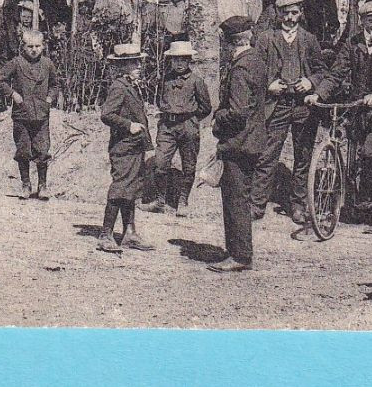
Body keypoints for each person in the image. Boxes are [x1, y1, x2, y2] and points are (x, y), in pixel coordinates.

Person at [312, 0, 372, 233]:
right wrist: (318, 95)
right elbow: (336, 75)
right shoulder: (353, 43)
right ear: (362, 21)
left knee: (369, 151)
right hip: (362, 108)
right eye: (371, 20)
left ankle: (365, 203)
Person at [250, 0, 329, 223]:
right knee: (267, 154)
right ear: (279, 14)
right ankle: (257, 204)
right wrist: (269, 85)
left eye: (295, 13)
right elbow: (255, 72)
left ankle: (298, 205)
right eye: (286, 13)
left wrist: (310, 82)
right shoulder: (266, 39)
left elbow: (322, 71)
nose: (290, 18)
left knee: (303, 156)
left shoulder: (309, 39)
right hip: (277, 105)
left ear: (300, 14)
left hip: (303, 106)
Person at [210, 16, 269, 272]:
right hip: (252, 139)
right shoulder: (255, 60)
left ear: (230, 42)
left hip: (239, 142)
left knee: (235, 199)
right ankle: (238, 251)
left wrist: (217, 117)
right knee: (240, 197)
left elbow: (237, 111)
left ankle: (240, 255)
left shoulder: (241, 68)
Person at [97, 44, 152, 253]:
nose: (138, 66)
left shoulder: (131, 84)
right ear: (122, 66)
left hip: (134, 146)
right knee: (120, 187)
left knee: (131, 188)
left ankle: (129, 233)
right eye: (133, 62)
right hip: (123, 147)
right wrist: (129, 125)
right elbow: (106, 114)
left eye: (138, 62)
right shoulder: (119, 86)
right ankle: (105, 234)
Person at [146, 39, 211, 216]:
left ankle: (183, 202)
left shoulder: (196, 81)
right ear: (171, 61)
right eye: (176, 60)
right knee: (160, 164)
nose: (180, 63)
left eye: (184, 59)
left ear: (189, 60)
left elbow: (206, 107)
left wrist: (191, 119)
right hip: (167, 126)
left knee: (189, 166)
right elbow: (160, 99)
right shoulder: (165, 79)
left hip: (187, 126)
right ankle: (160, 200)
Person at [0, 28, 57, 199]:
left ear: (43, 46)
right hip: (22, 115)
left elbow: (55, 84)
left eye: (37, 46)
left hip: (41, 115)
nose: (34, 49)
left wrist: (50, 98)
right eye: (30, 46)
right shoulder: (16, 63)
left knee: (42, 150)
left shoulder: (47, 64)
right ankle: (25, 185)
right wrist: (13, 94)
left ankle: (42, 186)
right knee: (23, 151)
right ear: (23, 47)